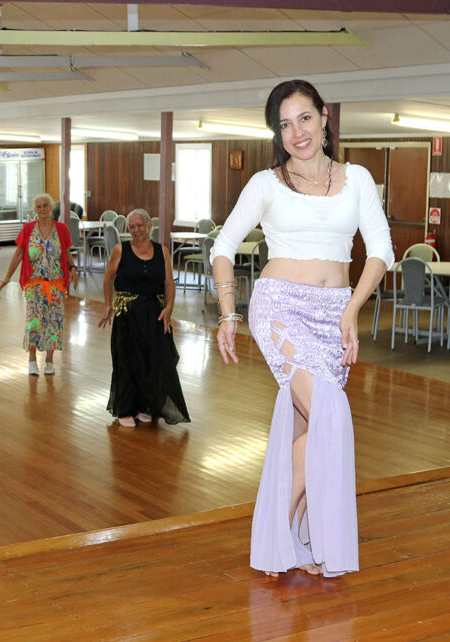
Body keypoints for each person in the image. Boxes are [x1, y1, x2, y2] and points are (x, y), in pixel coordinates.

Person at [211, 80, 393, 578]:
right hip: (280, 309)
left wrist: (352, 309)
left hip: (335, 312)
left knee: (315, 429)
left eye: (304, 118)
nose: (297, 132)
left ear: (325, 117)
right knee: (330, 414)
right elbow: (222, 247)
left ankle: (305, 546)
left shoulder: (356, 179)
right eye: (285, 125)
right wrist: (229, 314)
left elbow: (381, 248)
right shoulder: (266, 184)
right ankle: (279, 534)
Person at [98, 209, 190, 427]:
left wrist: (169, 308)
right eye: (132, 227)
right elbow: (108, 278)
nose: (136, 230)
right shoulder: (121, 250)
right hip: (128, 314)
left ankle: (146, 405)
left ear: (149, 225)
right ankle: (126, 408)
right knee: (127, 359)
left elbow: (169, 283)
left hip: (155, 315)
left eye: (140, 225)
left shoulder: (162, 251)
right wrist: (108, 304)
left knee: (154, 360)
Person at [0, 193, 78, 375]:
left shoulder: (62, 229)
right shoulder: (28, 229)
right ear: (35, 210)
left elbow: (66, 251)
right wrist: (7, 277)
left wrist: (73, 267)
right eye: (39, 206)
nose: (42, 209)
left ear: (51, 208)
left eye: (45, 205)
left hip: (56, 284)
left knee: (54, 322)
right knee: (34, 321)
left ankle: (49, 361)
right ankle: (32, 359)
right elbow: (18, 255)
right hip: (34, 283)